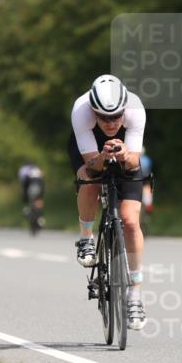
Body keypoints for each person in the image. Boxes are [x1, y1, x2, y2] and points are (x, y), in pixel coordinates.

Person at [68, 74, 147, 330]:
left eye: (116, 117)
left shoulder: (135, 110)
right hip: (91, 149)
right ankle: (86, 238)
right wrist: (103, 156)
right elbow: (91, 167)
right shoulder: (81, 111)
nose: (111, 123)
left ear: (125, 110)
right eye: (104, 118)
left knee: (130, 222)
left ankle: (135, 293)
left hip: (126, 152)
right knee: (88, 181)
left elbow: (135, 162)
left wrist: (125, 154)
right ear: (93, 112)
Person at [18, 162, 45, 232]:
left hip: (31, 186)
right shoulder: (37, 170)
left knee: (32, 203)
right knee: (38, 202)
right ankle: (40, 218)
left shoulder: (24, 170)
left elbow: (24, 183)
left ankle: (29, 213)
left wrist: (24, 196)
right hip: (40, 185)